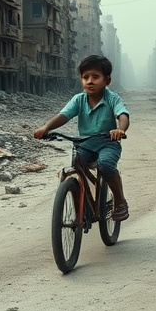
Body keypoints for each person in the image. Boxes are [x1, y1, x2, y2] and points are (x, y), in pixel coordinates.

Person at [33, 55, 131, 221]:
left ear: (107, 80)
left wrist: (119, 130)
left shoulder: (112, 98)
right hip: (84, 144)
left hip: (108, 143)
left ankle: (120, 201)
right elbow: (63, 115)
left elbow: (122, 114)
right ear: (81, 79)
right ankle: (82, 205)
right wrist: (46, 127)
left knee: (106, 165)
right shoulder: (78, 100)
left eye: (95, 77)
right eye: (86, 77)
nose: (90, 81)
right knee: (76, 165)